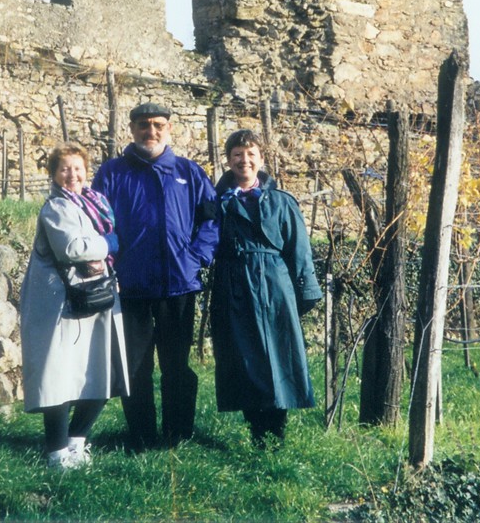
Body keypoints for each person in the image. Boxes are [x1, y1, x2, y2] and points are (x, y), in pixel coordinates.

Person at [92, 102, 219, 450]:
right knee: (135, 367)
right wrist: (109, 262)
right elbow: (97, 223)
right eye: (144, 125)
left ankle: (178, 435)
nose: (151, 131)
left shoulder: (189, 172)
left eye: (158, 125)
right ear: (131, 129)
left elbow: (210, 220)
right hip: (130, 286)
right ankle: (141, 435)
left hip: (178, 285)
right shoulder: (112, 173)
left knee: (177, 366)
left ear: (169, 128)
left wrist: (197, 257)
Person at [19, 142, 129, 470]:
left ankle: (77, 442)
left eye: (78, 168)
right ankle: (56, 453)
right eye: (65, 168)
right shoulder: (55, 208)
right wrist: (108, 243)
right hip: (59, 306)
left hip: (93, 299)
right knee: (59, 378)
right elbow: (73, 246)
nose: (73, 174)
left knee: (99, 373)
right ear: (54, 174)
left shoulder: (93, 203)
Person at [210, 129, 322, 447]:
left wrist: (304, 291)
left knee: (278, 355)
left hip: (274, 285)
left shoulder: (282, 202)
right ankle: (256, 427)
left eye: (250, 154)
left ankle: (276, 429)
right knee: (243, 358)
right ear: (228, 160)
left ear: (261, 158)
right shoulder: (216, 202)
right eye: (237, 155)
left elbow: (298, 249)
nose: (244, 160)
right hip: (234, 285)